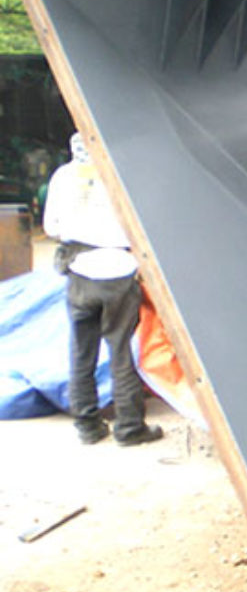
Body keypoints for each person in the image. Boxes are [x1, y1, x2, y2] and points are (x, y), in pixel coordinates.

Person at [43, 133, 163, 446]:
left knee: (81, 351)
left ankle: (87, 425)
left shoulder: (62, 177)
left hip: (80, 271)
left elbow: (51, 228)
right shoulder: (119, 174)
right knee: (121, 351)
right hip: (119, 272)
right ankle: (129, 428)